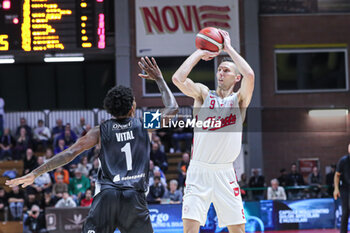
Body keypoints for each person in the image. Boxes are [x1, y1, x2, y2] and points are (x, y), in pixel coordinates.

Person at [6, 56, 178, 233]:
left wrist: (36, 172)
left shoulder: (100, 131)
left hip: (107, 197)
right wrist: (159, 78)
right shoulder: (145, 123)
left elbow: (69, 153)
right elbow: (172, 108)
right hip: (134, 198)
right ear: (132, 108)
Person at [172, 29, 254, 233]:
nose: (221, 73)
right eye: (219, 70)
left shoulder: (239, 101)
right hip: (198, 171)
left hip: (225, 172)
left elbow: (250, 75)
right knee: (190, 230)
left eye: (226, 70)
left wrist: (228, 49)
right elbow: (178, 78)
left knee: (238, 230)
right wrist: (200, 52)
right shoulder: (202, 95)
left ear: (236, 78)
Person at [334, 143, 350, 233]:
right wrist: (336, 189)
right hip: (345, 189)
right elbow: (337, 175)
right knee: (345, 212)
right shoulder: (343, 161)